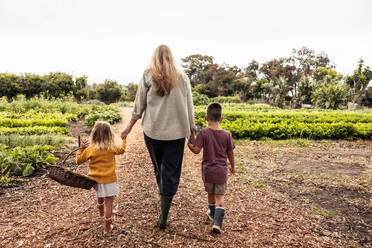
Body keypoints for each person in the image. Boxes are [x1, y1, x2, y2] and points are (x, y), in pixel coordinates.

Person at [121, 45, 196, 229]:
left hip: (152, 132)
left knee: (158, 168)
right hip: (176, 134)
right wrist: (192, 131)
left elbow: (139, 104)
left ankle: (163, 196)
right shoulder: (182, 77)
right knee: (169, 171)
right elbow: (189, 106)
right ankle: (164, 213)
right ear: (171, 58)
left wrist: (129, 127)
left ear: (154, 57)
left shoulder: (148, 75)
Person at [187, 102, 235, 234]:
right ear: (221, 118)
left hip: (208, 171)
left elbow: (196, 150)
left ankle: (212, 213)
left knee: (210, 193)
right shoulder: (227, 134)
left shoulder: (204, 133)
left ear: (206, 118)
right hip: (221, 171)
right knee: (220, 196)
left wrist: (189, 145)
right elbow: (230, 152)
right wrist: (232, 166)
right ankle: (217, 223)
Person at [76, 121, 126, 233]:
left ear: (94, 134)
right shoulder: (111, 148)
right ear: (109, 135)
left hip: (95, 180)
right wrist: (124, 140)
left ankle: (100, 209)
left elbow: (78, 161)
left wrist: (81, 148)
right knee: (109, 202)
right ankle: (107, 227)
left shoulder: (91, 149)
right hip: (109, 179)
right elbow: (122, 150)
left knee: (100, 192)